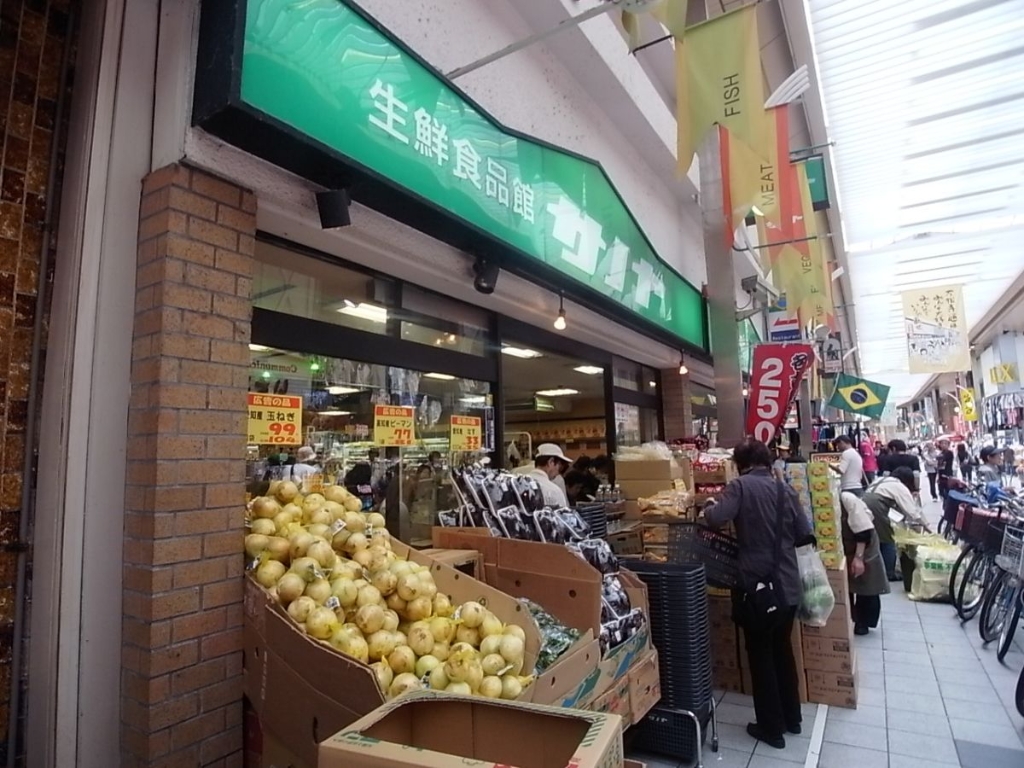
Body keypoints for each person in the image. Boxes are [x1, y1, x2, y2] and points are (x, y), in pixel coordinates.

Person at [704, 438, 813, 750]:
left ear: (741, 463)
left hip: (757, 587)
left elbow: (716, 518)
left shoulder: (740, 486)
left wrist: (710, 506)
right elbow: (803, 532)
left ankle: (771, 728)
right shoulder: (785, 489)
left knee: (761, 655)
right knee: (783, 650)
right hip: (787, 585)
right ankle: (792, 718)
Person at [862, 467, 930, 582]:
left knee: (876, 538)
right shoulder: (900, 486)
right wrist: (926, 526)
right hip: (877, 506)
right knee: (888, 539)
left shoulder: (882, 479)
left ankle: (878, 569)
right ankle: (889, 573)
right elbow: (913, 511)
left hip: (864, 503)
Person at [839, 491, 890, 635]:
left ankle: (863, 622)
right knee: (846, 581)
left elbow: (863, 531)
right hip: (845, 544)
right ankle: (848, 618)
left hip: (865, 543)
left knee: (867, 580)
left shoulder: (847, 499)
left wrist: (859, 557)